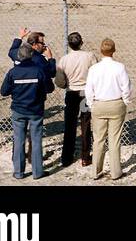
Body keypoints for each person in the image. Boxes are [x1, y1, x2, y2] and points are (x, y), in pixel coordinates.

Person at [0, 43, 57, 179]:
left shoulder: (13, 72)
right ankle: (37, 172)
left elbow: (4, 91)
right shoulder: (39, 71)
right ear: (32, 56)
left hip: (18, 110)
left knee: (19, 139)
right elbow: (50, 88)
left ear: (19, 55)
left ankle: (19, 172)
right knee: (36, 140)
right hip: (35, 110)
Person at [84, 38, 130, 181]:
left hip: (99, 104)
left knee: (98, 139)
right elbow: (126, 87)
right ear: (114, 51)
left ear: (101, 51)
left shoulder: (94, 69)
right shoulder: (120, 67)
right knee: (114, 139)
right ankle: (116, 172)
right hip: (116, 104)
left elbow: (88, 89)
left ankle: (96, 171)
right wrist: (125, 101)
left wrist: (92, 104)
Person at [55, 32, 96, 168]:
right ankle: (85, 156)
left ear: (69, 44)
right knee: (85, 123)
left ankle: (66, 157)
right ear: (81, 43)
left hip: (72, 93)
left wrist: (67, 85)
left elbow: (59, 81)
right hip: (85, 93)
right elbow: (95, 74)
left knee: (70, 124)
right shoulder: (90, 56)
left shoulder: (64, 60)